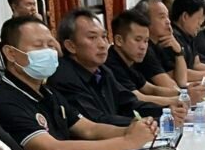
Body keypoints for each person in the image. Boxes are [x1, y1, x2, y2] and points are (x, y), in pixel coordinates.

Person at [0, 16, 156, 150]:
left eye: (50, 45)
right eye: (38, 46)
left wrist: (130, 130)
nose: (48, 52)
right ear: (11, 53)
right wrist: (127, 142)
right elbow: (55, 149)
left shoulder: (46, 91)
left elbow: (89, 129)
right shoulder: (5, 102)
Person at [49, 8, 177, 128]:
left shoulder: (102, 71)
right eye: (92, 37)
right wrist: (153, 121)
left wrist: (167, 111)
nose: (102, 44)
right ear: (71, 46)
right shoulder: (64, 77)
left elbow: (129, 103)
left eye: (104, 37)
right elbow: (97, 120)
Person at [104, 9, 189, 114]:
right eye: (137, 40)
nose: (143, 47)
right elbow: (139, 98)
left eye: (146, 41)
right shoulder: (111, 63)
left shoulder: (129, 61)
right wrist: (179, 99)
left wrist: (183, 94)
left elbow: (151, 89)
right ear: (119, 40)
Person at [132, 0, 205, 103]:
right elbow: (171, 86)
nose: (168, 21)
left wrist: (178, 51)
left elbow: (181, 81)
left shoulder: (160, 44)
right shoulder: (145, 50)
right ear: (144, 21)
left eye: (167, 17)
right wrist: (185, 94)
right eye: (162, 17)